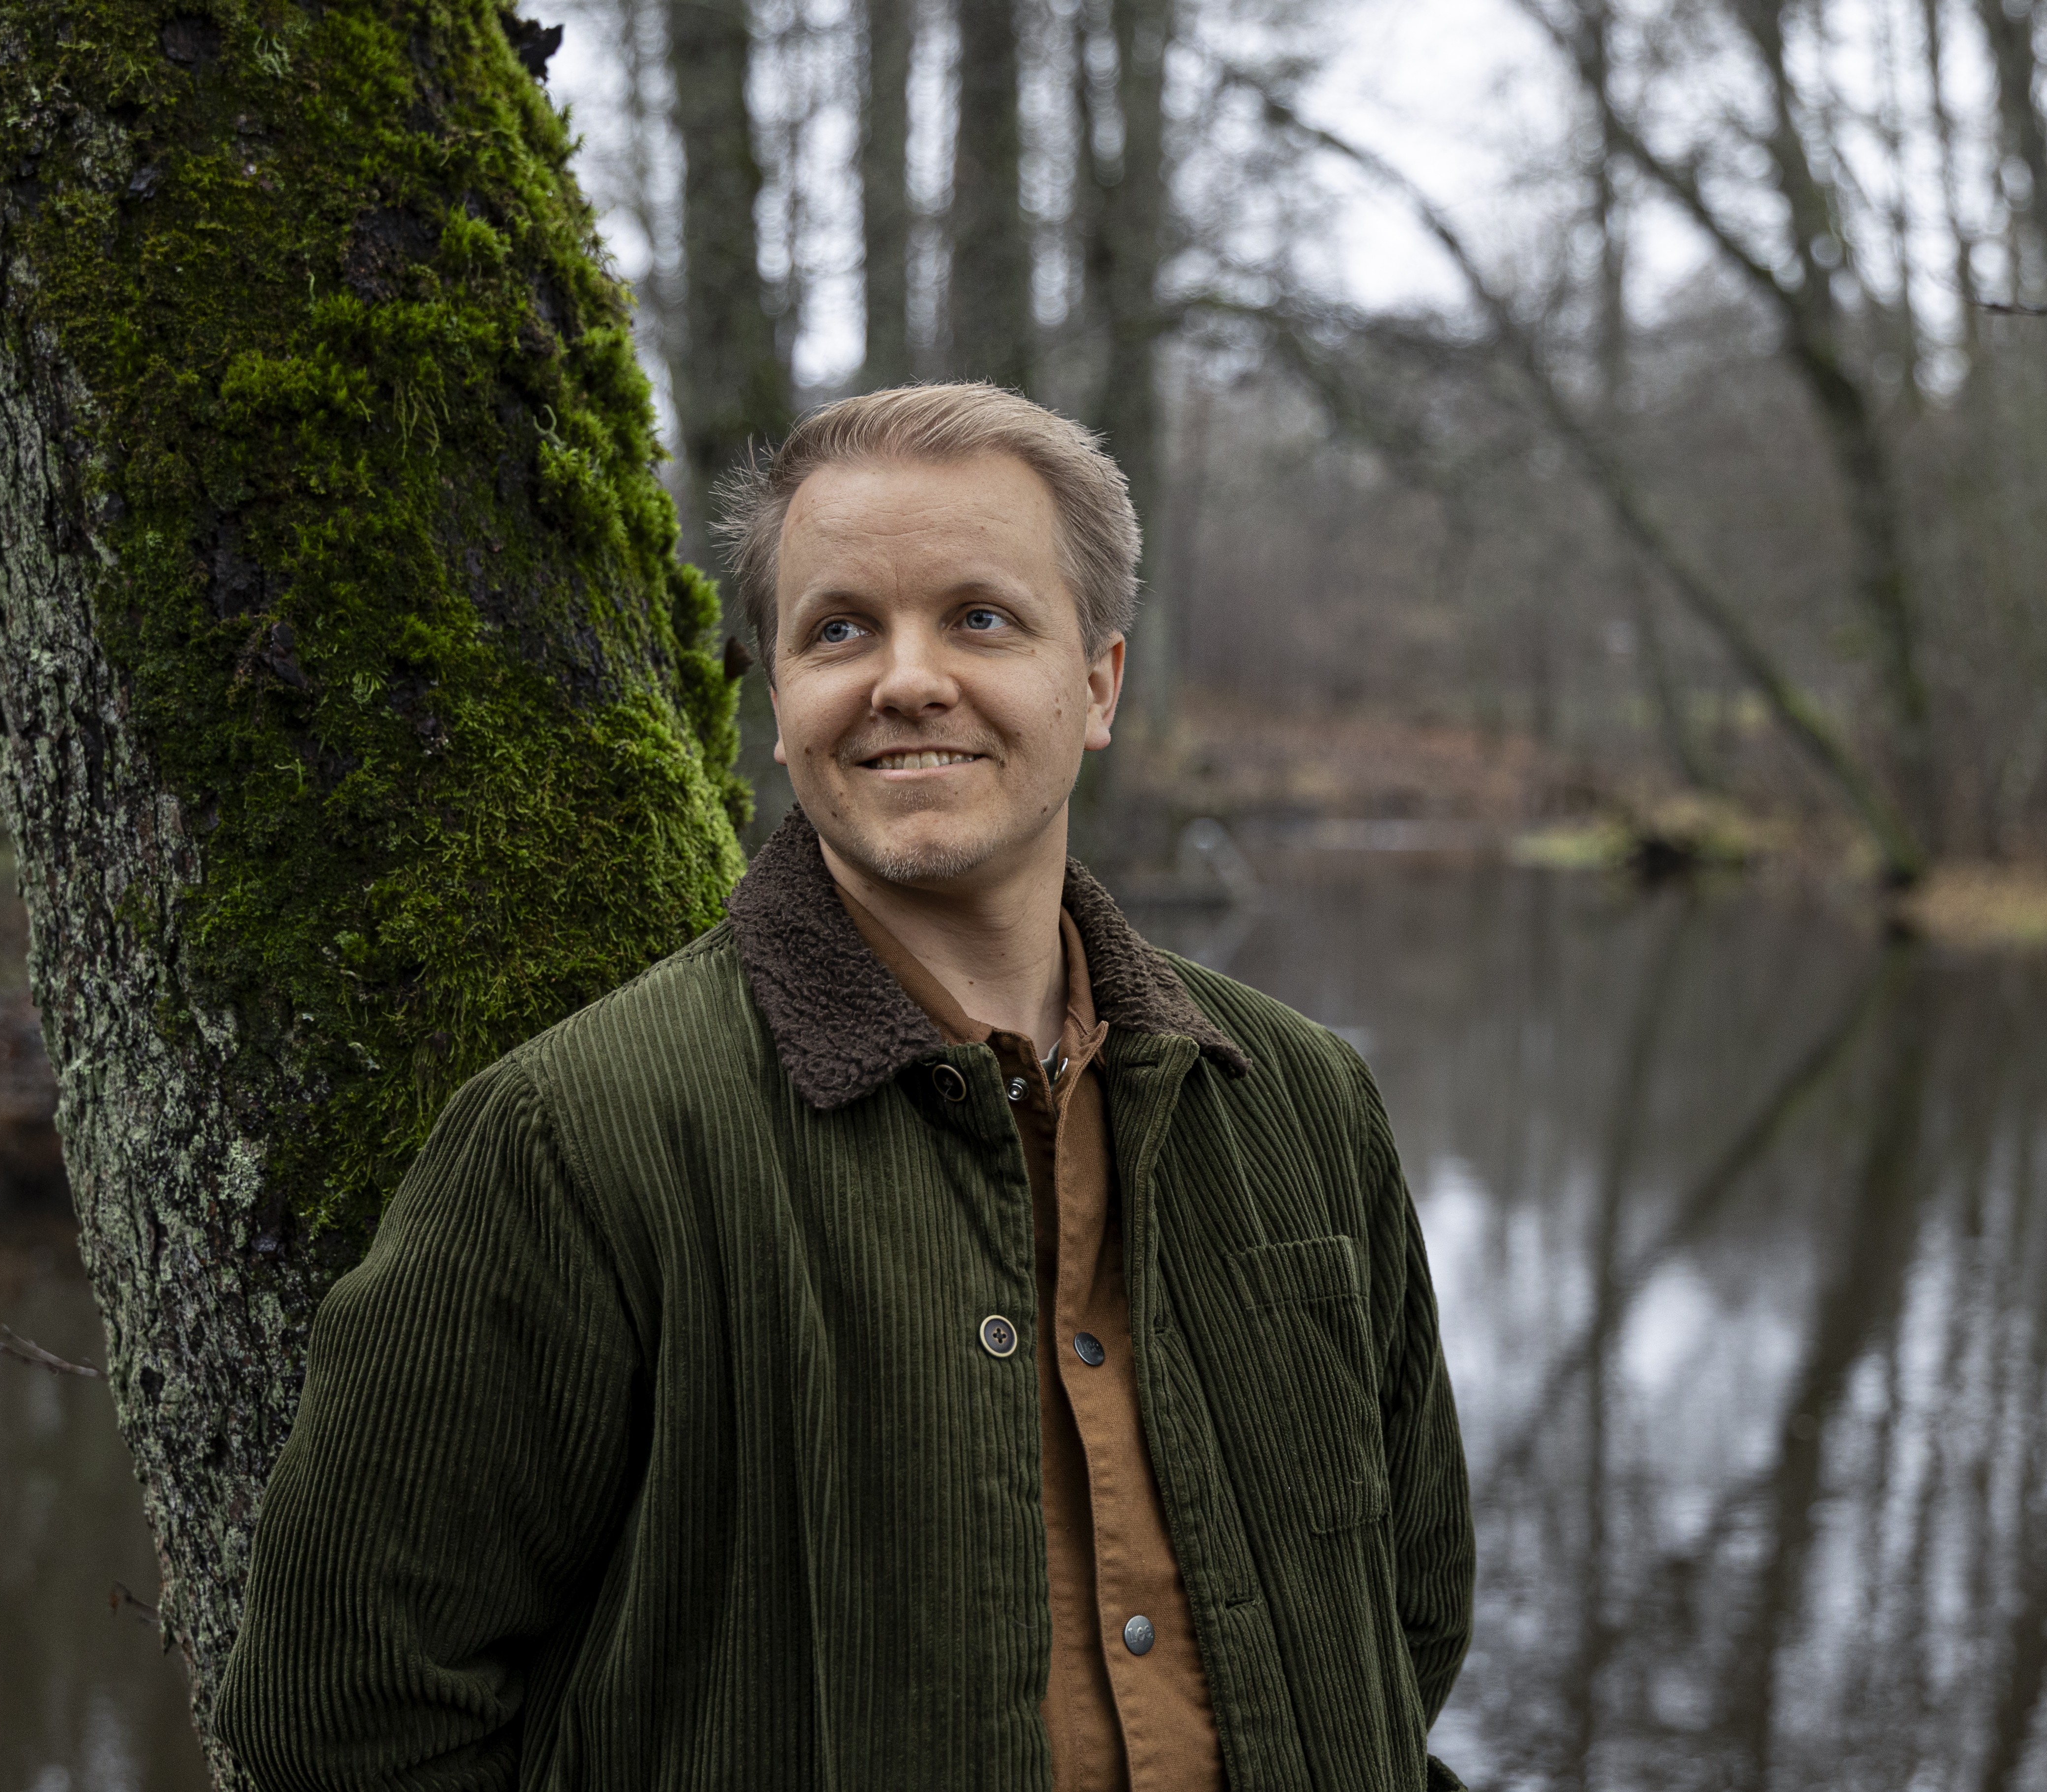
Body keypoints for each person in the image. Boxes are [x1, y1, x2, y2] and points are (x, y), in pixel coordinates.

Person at [212, 383, 1475, 1790]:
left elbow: (1404, 1625)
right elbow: (347, 1716)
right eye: (839, 631)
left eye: (980, 618)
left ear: (1099, 683)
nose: (907, 680)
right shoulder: (575, 1141)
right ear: (778, 704)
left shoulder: (1300, 1101)